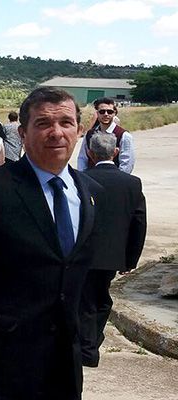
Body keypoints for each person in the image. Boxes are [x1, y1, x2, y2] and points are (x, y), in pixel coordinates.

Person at [0, 87, 105, 399]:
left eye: (66, 123)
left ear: (79, 130)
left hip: (62, 365)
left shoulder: (89, 192)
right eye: (43, 124)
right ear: (23, 133)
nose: (56, 133)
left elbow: (81, 272)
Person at [80, 133, 146, 368]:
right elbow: (139, 222)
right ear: (116, 153)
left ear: (90, 153)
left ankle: (88, 348)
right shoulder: (132, 183)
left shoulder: (81, 179)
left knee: (87, 301)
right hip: (114, 255)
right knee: (101, 298)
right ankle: (92, 342)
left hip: (84, 254)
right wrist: (131, 259)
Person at [78, 97, 135, 173]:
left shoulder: (124, 136)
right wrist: (83, 177)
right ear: (97, 113)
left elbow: (127, 163)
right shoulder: (89, 134)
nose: (106, 114)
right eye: (102, 111)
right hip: (91, 180)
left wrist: (120, 180)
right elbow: (82, 158)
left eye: (109, 112)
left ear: (114, 113)